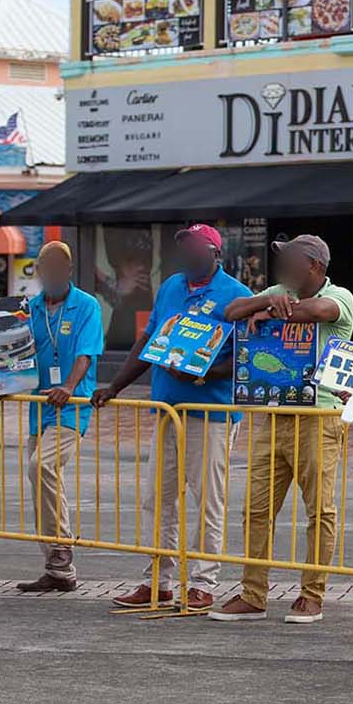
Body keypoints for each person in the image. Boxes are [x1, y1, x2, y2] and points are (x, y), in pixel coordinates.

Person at [95, 223, 252, 612]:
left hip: (211, 414)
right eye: (183, 248)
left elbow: (249, 360)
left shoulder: (238, 295)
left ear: (215, 253)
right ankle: (157, 582)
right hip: (167, 411)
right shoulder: (170, 288)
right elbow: (148, 341)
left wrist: (204, 372)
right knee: (157, 499)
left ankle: (203, 582)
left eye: (197, 248)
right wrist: (114, 385)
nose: (188, 255)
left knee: (206, 501)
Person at [213, 235, 353, 624]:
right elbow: (233, 310)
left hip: (319, 417)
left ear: (314, 266)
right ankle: (252, 594)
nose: (284, 267)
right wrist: (266, 302)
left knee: (319, 510)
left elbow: (322, 311)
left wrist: (278, 310)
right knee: (256, 509)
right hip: (273, 412)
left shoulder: (340, 294)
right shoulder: (279, 291)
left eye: (291, 259)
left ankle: (312, 595)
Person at [0, 241, 105, 593]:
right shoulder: (27, 309)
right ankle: (56, 568)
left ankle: (61, 550)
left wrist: (69, 386)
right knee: (42, 480)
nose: (52, 272)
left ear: (68, 271)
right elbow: (13, 358)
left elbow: (86, 353)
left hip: (72, 406)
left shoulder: (87, 305)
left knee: (41, 466)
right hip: (40, 407)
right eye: (45, 266)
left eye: (59, 266)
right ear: (38, 271)